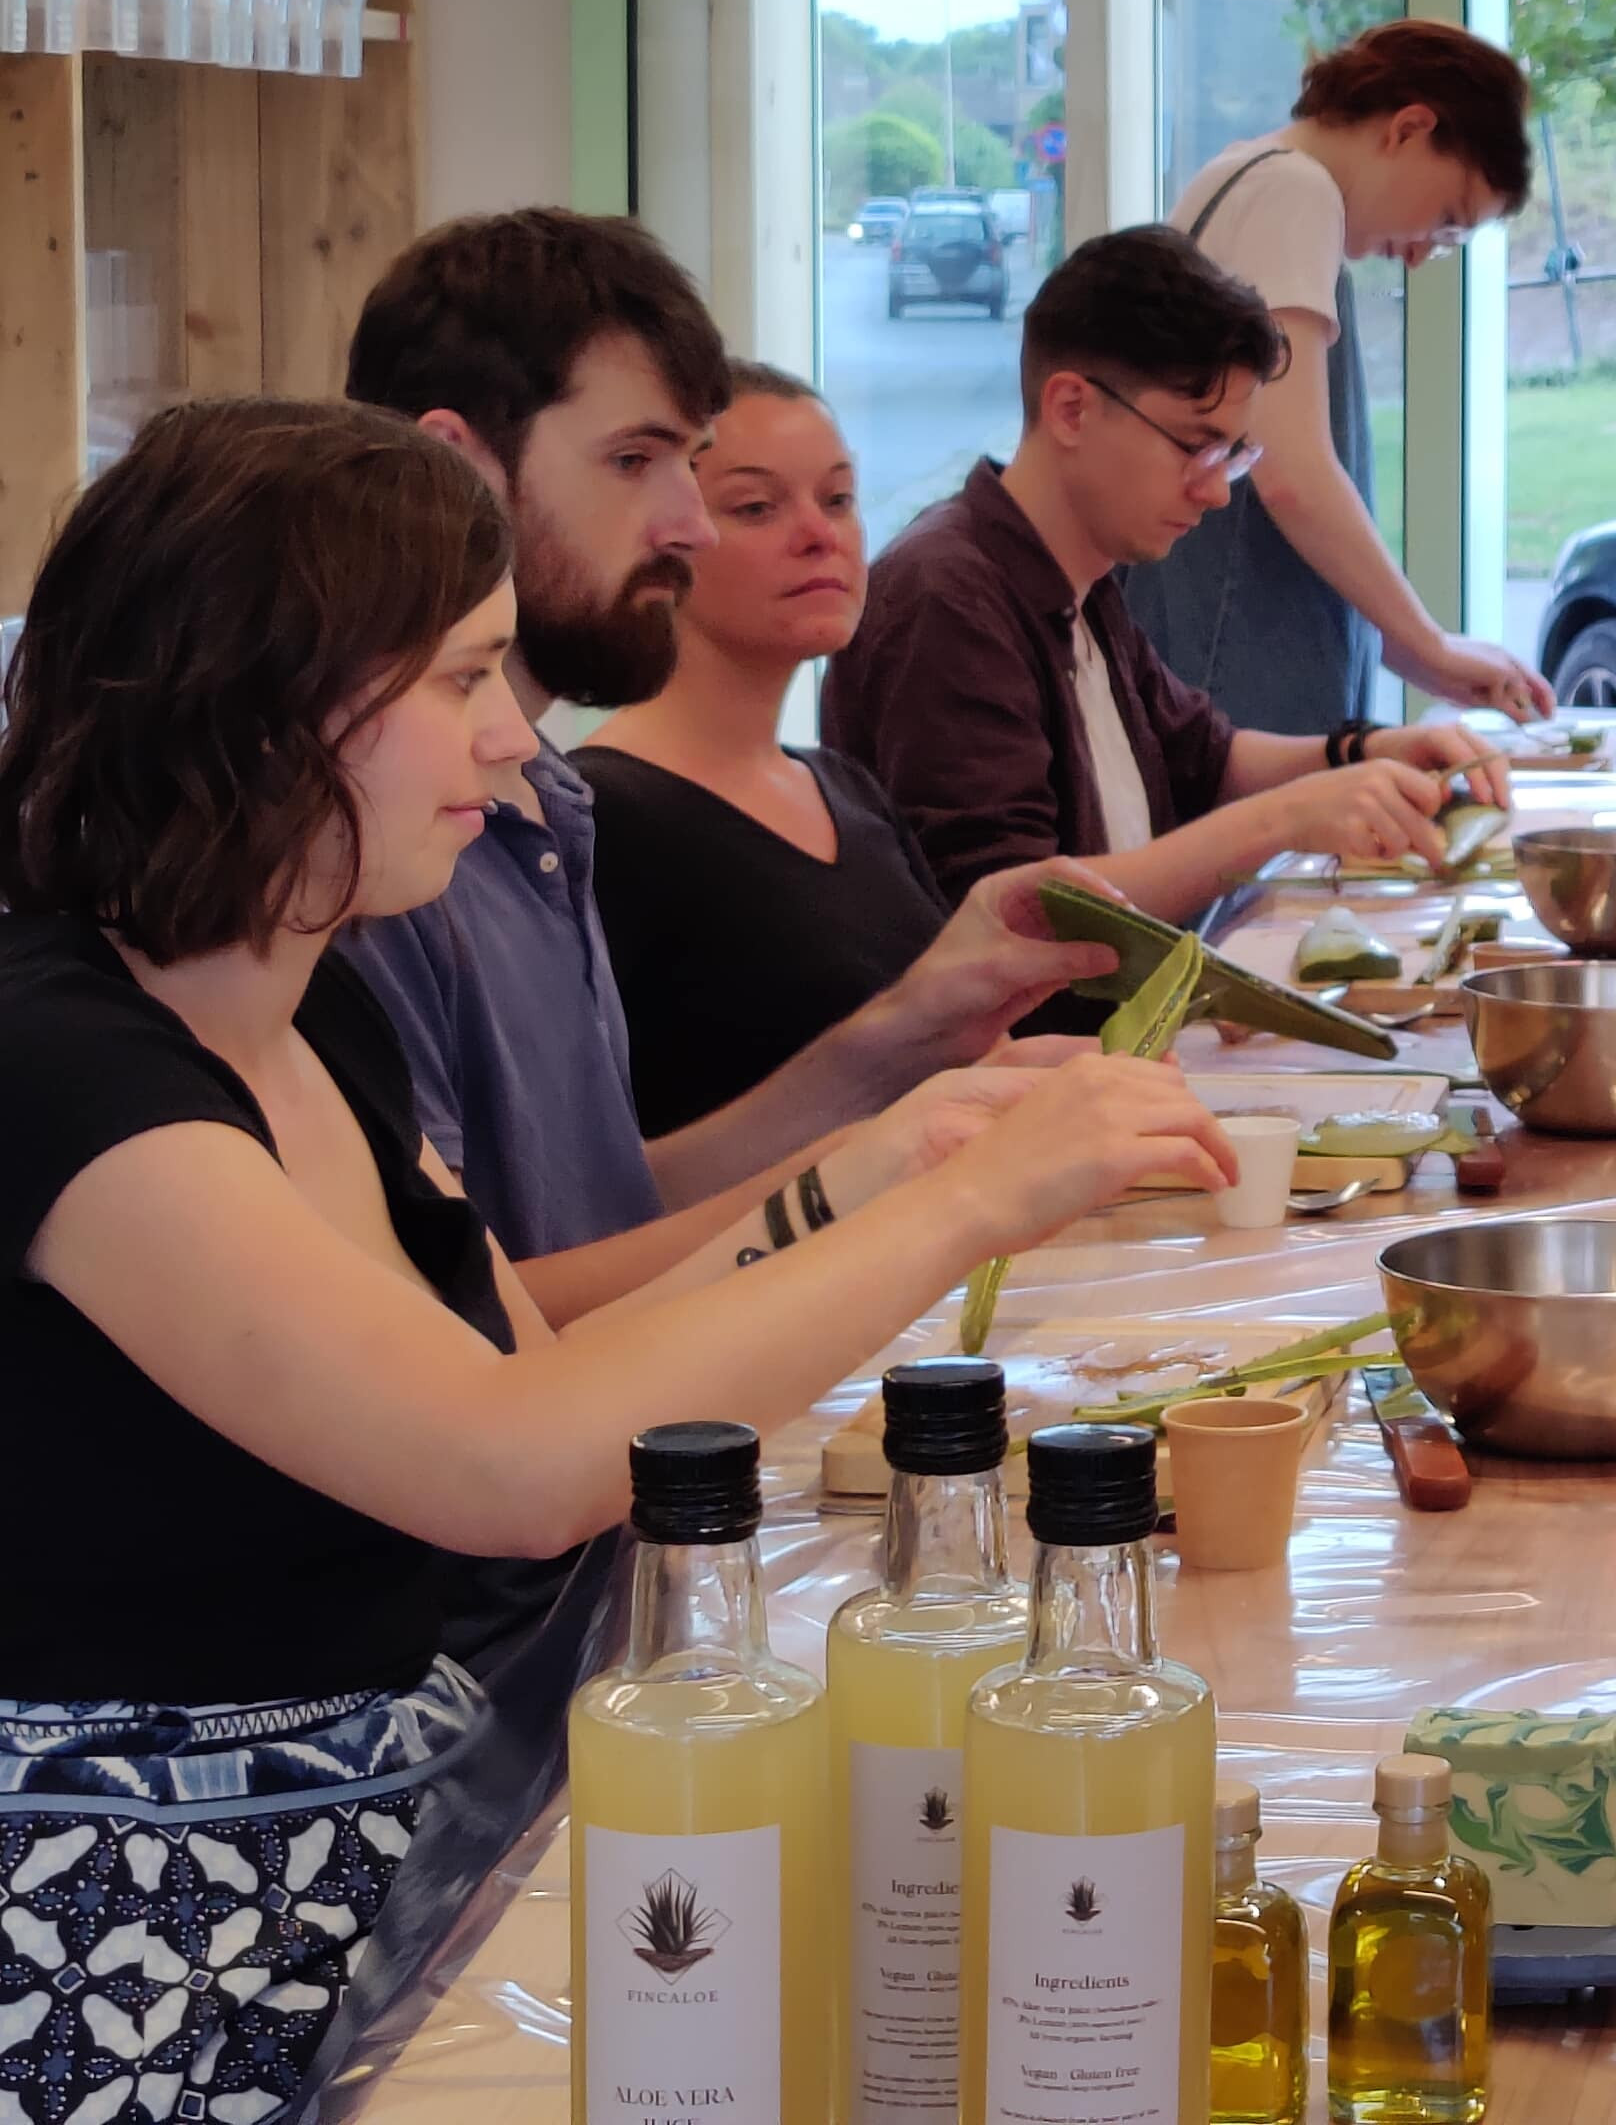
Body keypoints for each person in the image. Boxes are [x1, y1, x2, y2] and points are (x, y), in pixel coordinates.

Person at [0, 400, 1231, 2125]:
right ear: (260, 707)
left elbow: (534, 1366)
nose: (512, 743)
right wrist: (958, 1213)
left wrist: (887, 1159)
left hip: (395, 1850)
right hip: (149, 1948)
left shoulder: (306, 990)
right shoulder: (65, 1068)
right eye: (457, 683)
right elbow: (511, 1467)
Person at [344, 212, 1126, 1311]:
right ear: (453, 460)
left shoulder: (550, 801)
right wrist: (882, 1173)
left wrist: (911, 1047)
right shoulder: (366, 848)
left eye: (695, 470)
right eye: (634, 462)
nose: (691, 526)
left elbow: (620, 1210)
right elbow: (467, 1321)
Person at [832, 225, 1512, 933]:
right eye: (1196, 445)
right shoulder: (946, 599)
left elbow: (1205, 757)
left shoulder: (1082, 577)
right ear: (1071, 409)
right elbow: (1013, 913)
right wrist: (1286, 820)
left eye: (1231, 454)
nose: (1217, 493)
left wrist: (1363, 753)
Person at [1139, 19, 1553, 729]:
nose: (1424, 253)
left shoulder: (1242, 175)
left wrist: (1406, 645)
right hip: (1231, 669)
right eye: (1447, 220)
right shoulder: (1294, 195)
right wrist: (1424, 638)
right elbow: (1291, 469)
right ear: (1410, 128)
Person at [579, 365, 951, 1137]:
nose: (820, 535)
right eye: (756, 507)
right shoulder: (600, 818)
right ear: (671, 536)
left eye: (840, 499)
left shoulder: (844, 785)